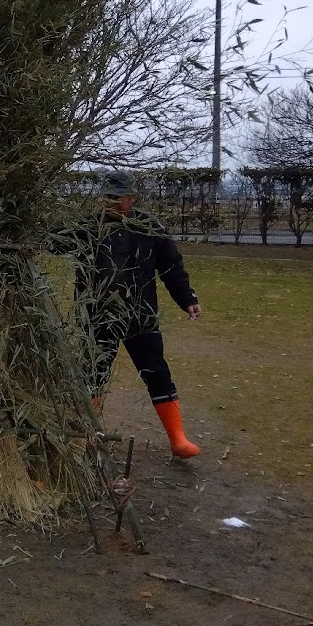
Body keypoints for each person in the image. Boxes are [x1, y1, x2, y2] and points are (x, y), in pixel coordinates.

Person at [58, 171, 202, 458]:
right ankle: (86, 436)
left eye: (118, 197)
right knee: (93, 374)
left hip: (140, 317)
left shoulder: (148, 227)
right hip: (97, 317)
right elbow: (55, 242)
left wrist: (187, 299)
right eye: (108, 197)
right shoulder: (88, 226)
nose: (113, 203)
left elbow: (171, 266)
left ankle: (178, 439)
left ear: (131, 198)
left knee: (157, 372)